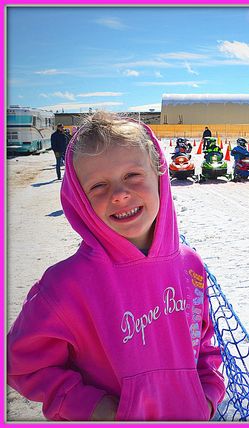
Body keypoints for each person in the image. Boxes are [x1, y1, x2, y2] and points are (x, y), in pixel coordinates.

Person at [7, 111, 225, 421]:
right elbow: (22, 363)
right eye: (98, 187)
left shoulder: (190, 265)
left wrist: (207, 393)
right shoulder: (64, 286)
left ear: (159, 176)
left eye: (132, 176)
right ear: (80, 200)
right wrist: (94, 407)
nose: (120, 194)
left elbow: (201, 340)